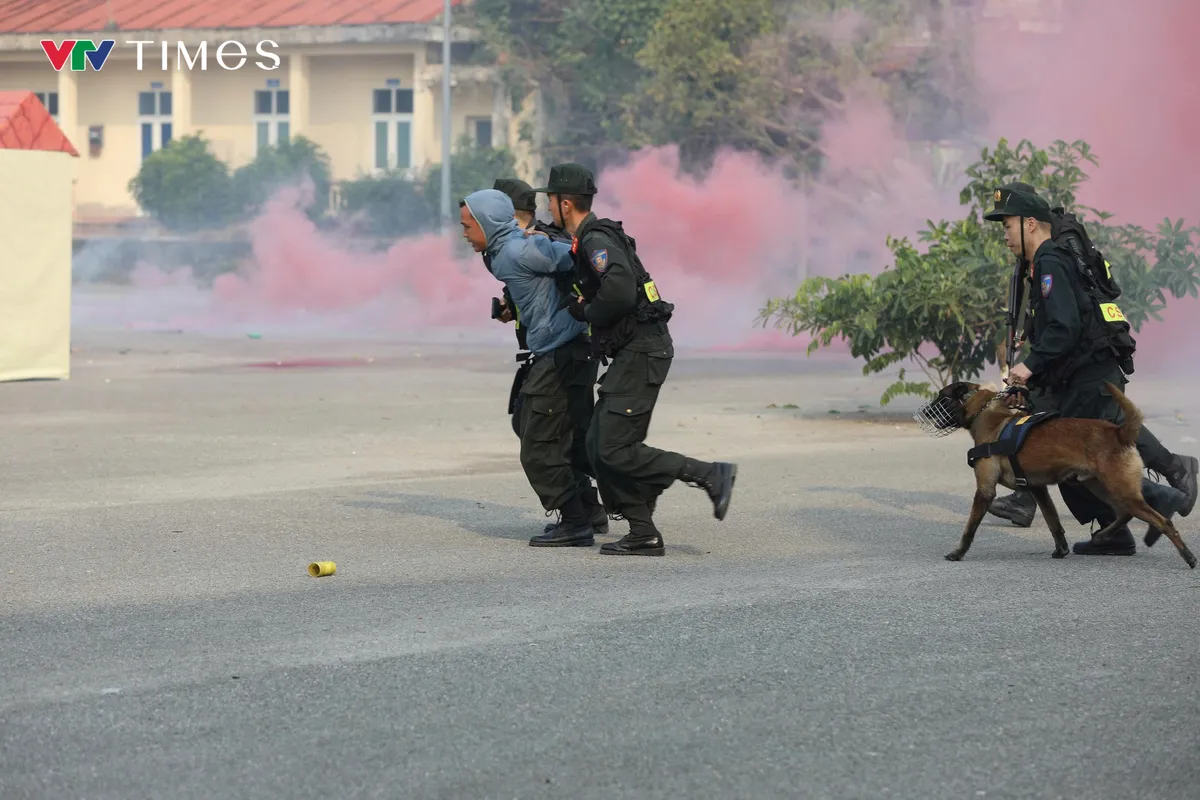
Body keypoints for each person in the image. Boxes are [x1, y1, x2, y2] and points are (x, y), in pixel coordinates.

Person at [532, 163, 737, 557]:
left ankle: (709, 474)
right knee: (598, 445)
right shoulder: (589, 240)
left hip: (643, 352)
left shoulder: (595, 240)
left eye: (550, 201)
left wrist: (587, 311)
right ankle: (642, 531)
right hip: (635, 352)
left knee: (612, 447)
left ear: (565, 203)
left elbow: (621, 292)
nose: (547, 207)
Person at [984, 184, 1196, 555]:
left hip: (1089, 370)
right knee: (1067, 442)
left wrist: (1028, 366)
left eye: (1008, 225)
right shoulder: (1046, 260)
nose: (1004, 235)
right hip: (1076, 370)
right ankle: (1110, 523)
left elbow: (1065, 327)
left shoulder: (1050, 261)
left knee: (1084, 448)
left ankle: (1161, 493)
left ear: (1030, 224)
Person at [461, 188, 604, 547]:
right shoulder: (500, 252)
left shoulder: (517, 249)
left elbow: (578, 257)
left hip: (562, 349)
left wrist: (556, 247)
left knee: (538, 445)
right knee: (550, 433)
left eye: (468, 226)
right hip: (555, 348)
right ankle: (589, 510)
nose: (463, 233)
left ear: (487, 223)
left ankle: (576, 521)